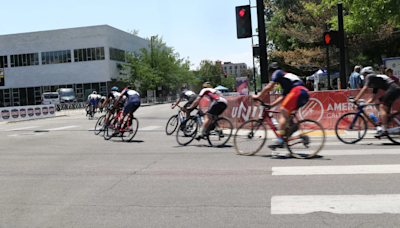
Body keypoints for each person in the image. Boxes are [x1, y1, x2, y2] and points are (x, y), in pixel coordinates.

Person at [252, 62, 309, 150]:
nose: (271, 76)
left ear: (272, 71)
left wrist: (258, 96)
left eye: (270, 73)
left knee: (282, 113)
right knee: (287, 117)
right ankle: (292, 129)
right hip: (304, 93)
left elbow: (269, 87)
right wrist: (271, 105)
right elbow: (282, 97)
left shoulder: (277, 72)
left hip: (296, 92)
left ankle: (280, 140)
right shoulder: (286, 79)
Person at [354, 66, 400, 138]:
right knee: (379, 103)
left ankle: (384, 130)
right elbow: (373, 97)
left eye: (363, 75)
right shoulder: (375, 81)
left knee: (382, 107)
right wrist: (365, 104)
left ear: (366, 73)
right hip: (394, 90)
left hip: (393, 89)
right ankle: (385, 123)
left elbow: (365, 88)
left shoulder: (370, 76)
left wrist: (356, 99)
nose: (364, 77)